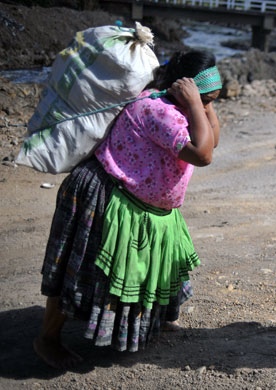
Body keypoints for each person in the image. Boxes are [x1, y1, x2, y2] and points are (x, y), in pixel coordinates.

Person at [33, 49, 223, 369]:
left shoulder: (186, 107)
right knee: (78, 272)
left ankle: (148, 323)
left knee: (149, 273)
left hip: (145, 204)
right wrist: (195, 105)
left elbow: (212, 140)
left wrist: (202, 104)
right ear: (183, 90)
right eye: (204, 99)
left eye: (213, 100)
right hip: (105, 195)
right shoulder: (159, 110)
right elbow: (204, 155)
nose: (206, 108)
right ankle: (47, 340)